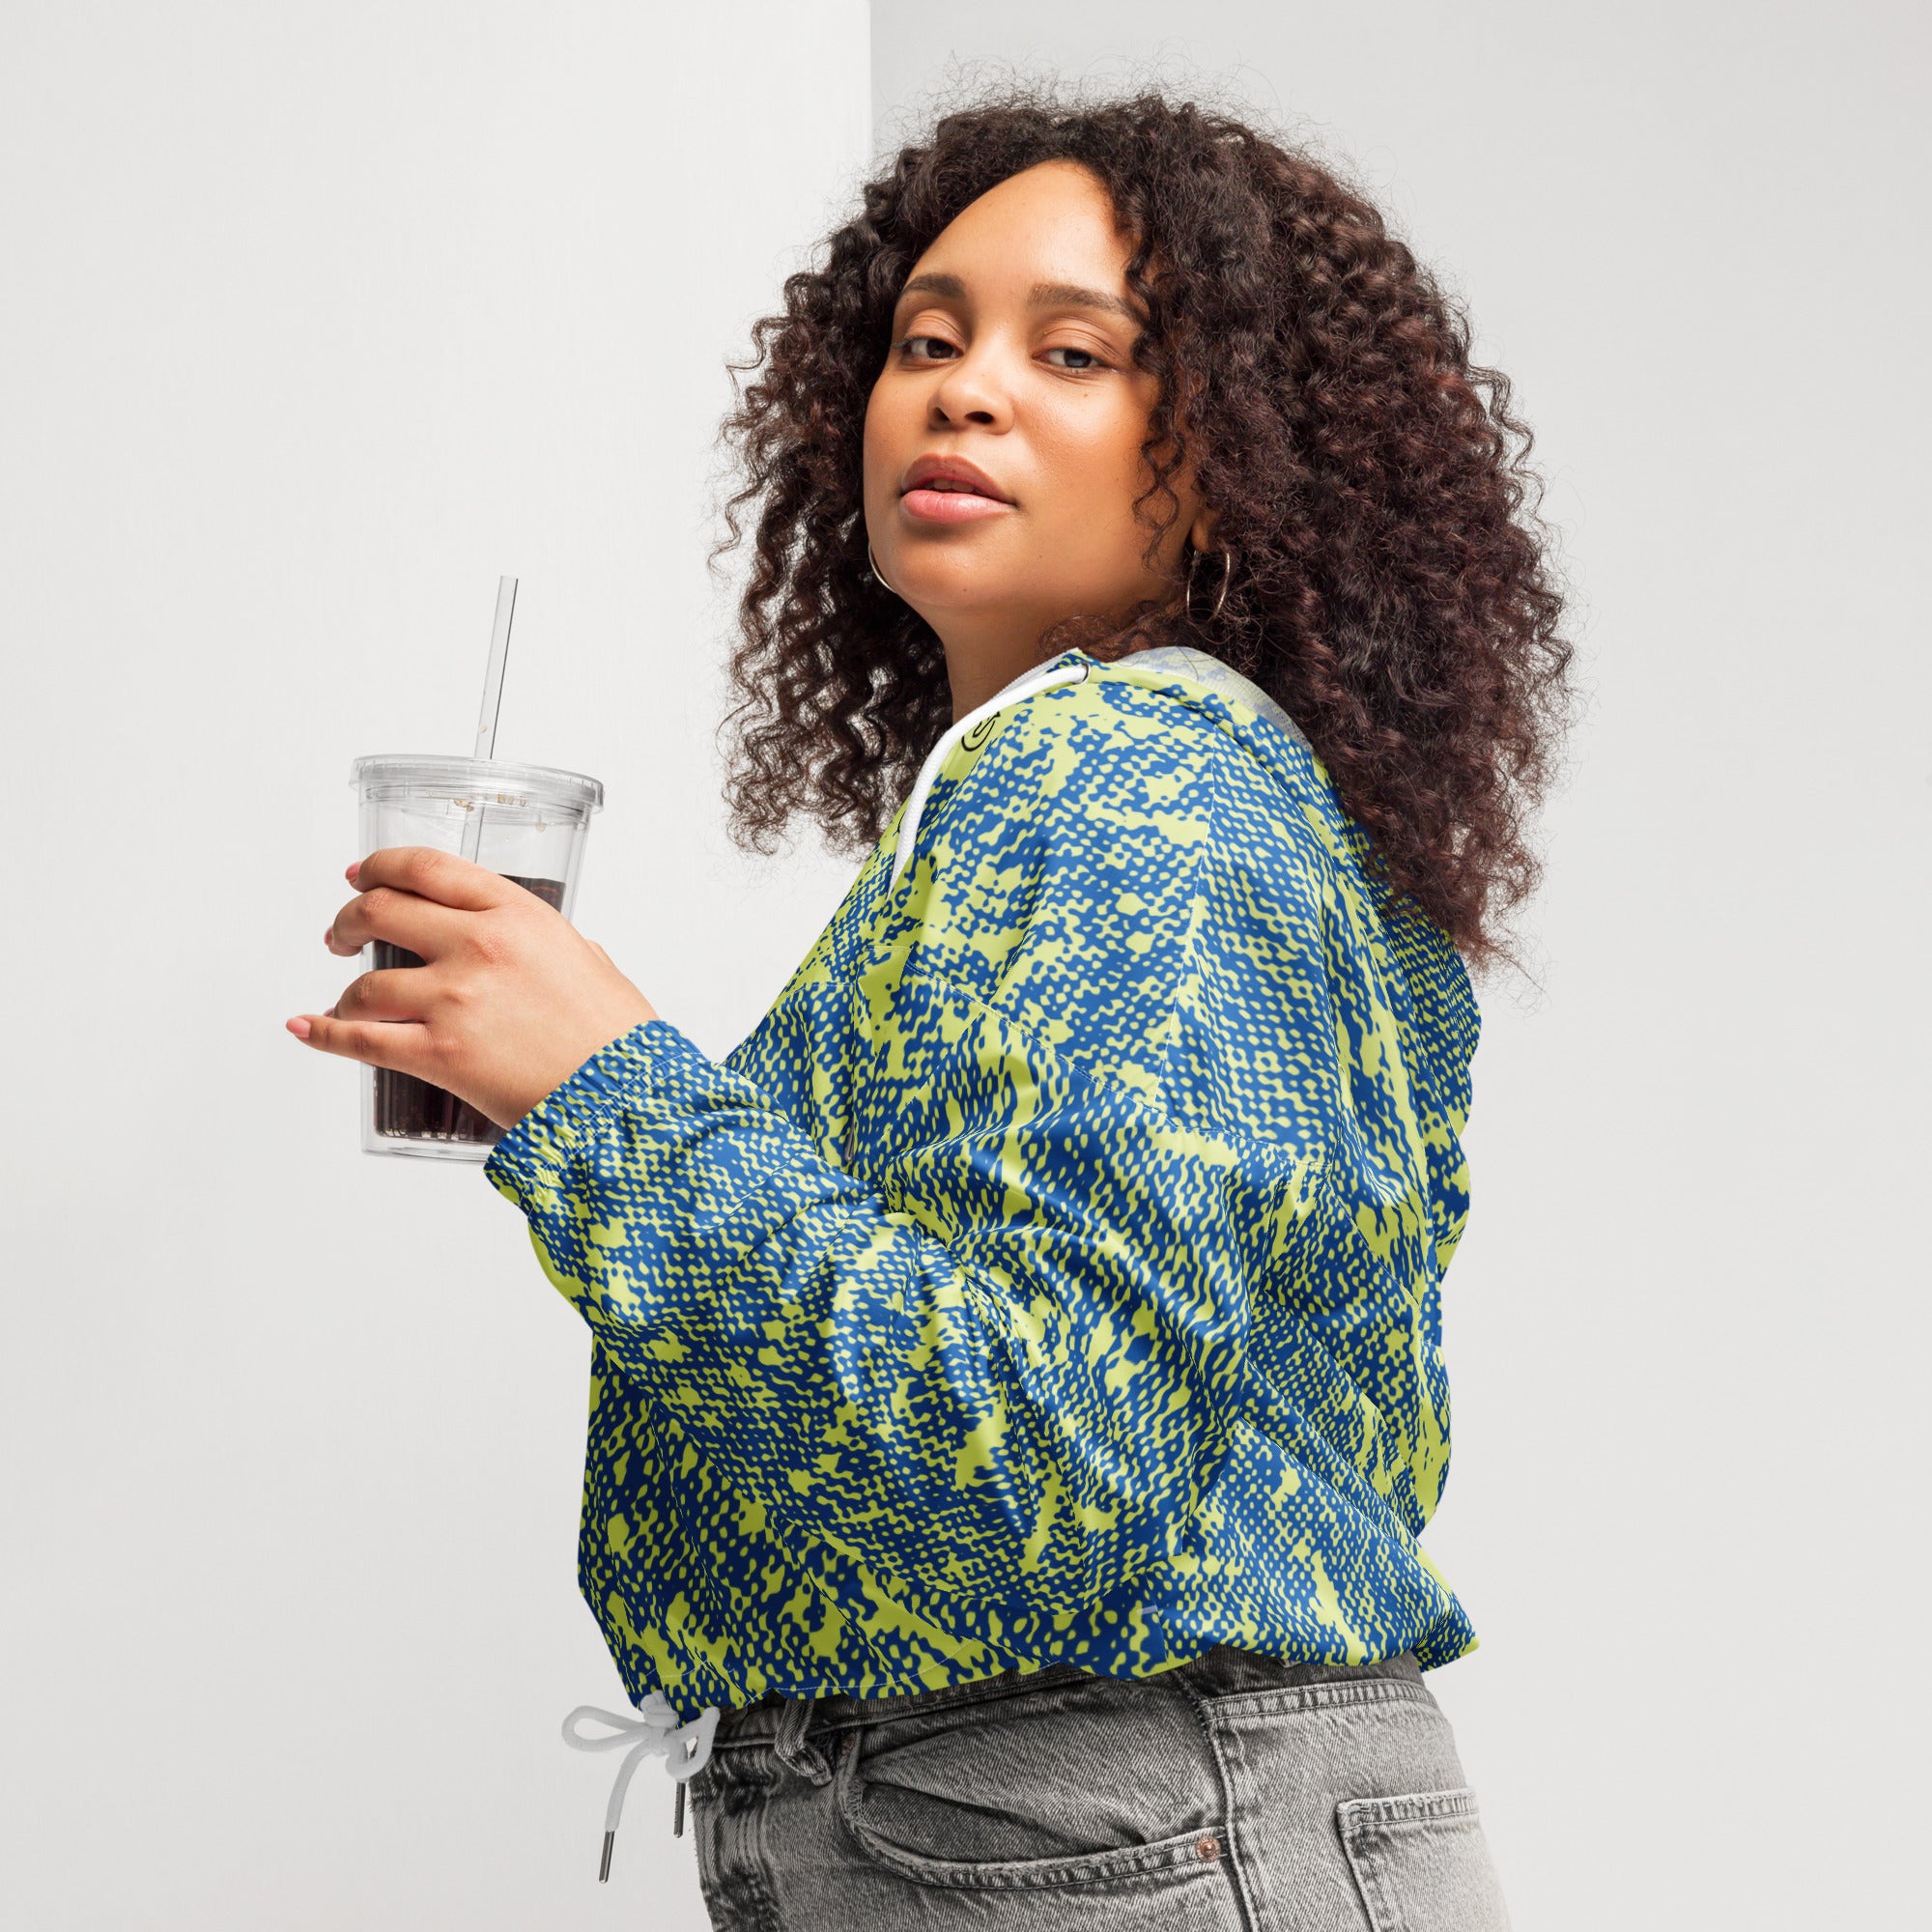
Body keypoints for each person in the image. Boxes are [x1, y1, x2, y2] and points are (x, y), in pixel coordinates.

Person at [290, 89, 1571, 1932]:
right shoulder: (1093, 793)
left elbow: (1063, 1449)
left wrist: (606, 1097)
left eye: (1074, 352)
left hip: (1098, 1833)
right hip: (1071, 1829)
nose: (964, 390)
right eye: (927, 339)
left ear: (1232, 446)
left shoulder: (1136, 776)